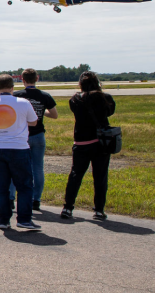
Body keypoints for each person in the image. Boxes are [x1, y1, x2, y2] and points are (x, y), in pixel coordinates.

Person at [0, 75, 41, 230]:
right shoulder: (23, 103)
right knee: (24, 185)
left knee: (1, 186)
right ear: (12, 87)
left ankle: (3, 220)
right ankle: (24, 219)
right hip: (18, 148)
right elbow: (34, 121)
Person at [62, 71, 115, 221]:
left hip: (81, 142)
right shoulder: (105, 98)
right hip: (100, 142)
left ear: (81, 84)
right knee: (100, 177)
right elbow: (110, 112)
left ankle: (67, 207)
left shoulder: (75, 99)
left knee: (75, 175)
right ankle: (99, 210)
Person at [9, 68, 58, 210]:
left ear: (22, 79)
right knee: (37, 168)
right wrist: (41, 112)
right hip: (38, 135)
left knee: (14, 167)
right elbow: (54, 115)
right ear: (37, 78)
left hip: (21, 136)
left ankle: (11, 197)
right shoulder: (44, 96)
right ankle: (36, 199)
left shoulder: (16, 95)